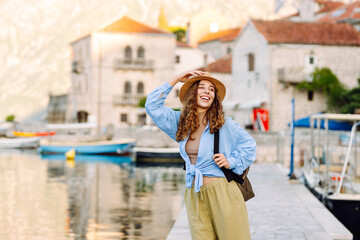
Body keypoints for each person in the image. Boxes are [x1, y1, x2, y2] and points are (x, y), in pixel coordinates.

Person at [145, 70, 256, 240]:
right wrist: (175, 79)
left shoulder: (224, 124)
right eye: (201, 88)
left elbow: (249, 146)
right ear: (192, 94)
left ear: (214, 97)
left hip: (223, 191)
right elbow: (152, 106)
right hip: (194, 193)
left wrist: (231, 161)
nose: (207, 91)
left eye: (211, 89)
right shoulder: (179, 122)